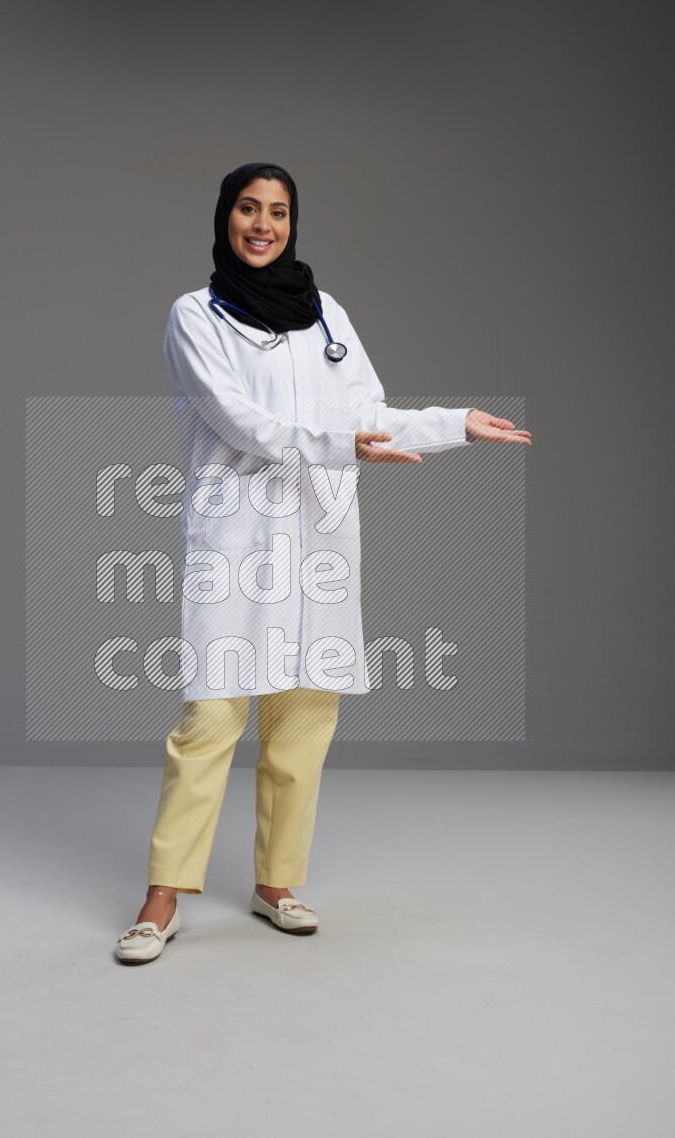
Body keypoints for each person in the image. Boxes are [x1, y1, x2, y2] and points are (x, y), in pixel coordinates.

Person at [115, 162, 531, 964]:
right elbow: (237, 421)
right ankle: (163, 894)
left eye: (277, 212)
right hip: (237, 540)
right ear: (225, 217)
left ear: (292, 223)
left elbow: (366, 412)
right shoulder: (195, 315)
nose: (262, 224)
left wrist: (453, 424)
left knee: (304, 715)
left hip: (320, 536)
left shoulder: (324, 312)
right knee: (211, 719)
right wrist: (343, 445)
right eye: (248, 208)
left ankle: (277, 883)